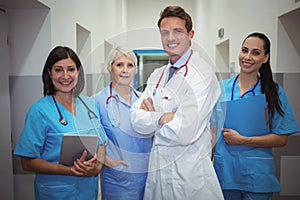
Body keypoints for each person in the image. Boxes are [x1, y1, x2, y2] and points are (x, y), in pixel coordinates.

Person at [130, 6, 224, 200]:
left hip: (189, 177)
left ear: (190, 34)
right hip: (158, 172)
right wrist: (163, 118)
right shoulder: (158, 75)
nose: (170, 38)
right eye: (165, 32)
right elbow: (135, 119)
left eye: (177, 31)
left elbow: (184, 131)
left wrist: (152, 119)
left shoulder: (202, 75)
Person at [212, 32, 299, 200]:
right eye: (244, 50)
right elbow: (212, 131)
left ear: (265, 58)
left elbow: (282, 139)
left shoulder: (274, 92)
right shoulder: (220, 88)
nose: (247, 57)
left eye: (255, 52)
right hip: (225, 174)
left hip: (257, 176)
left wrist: (243, 140)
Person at [13, 46, 107, 200]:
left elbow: (101, 144)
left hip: (88, 192)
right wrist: (67, 170)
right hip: (56, 192)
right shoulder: (39, 110)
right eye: (58, 70)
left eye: (71, 69)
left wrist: (97, 167)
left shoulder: (90, 104)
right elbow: (27, 162)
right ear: (49, 73)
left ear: (78, 72)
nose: (65, 76)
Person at [94, 46, 152, 200]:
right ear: (110, 68)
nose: (125, 70)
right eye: (119, 65)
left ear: (135, 69)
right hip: (116, 179)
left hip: (147, 174)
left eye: (130, 65)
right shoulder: (98, 101)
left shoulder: (144, 100)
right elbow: (91, 140)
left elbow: (155, 135)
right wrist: (106, 160)